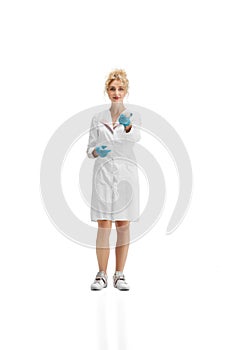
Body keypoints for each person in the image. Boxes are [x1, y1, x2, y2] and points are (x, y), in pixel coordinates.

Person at [86, 69, 142, 291]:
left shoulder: (134, 116)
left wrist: (127, 126)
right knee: (103, 225)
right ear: (106, 91)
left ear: (126, 90)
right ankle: (101, 274)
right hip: (103, 175)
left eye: (120, 88)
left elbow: (135, 137)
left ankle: (119, 274)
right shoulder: (97, 118)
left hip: (125, 175)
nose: (116, 92)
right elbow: (89, 150)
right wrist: (97, 151)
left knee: (123, 224)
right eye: (112, 88)